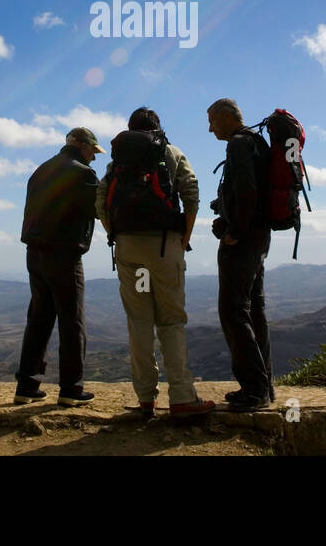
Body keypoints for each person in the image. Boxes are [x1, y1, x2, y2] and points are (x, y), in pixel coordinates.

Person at [97, 107, 214, 418]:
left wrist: (116, 234)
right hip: (164, 248)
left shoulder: (118, 161)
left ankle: (146, 399)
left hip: (130, 251)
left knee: (139, 322)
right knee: (171, 321)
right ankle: (182, 397)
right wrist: (184, 238)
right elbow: (191, 193)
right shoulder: (171, 152)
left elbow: (100, 200)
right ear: (158, 128)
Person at [15, 127, 103, 406]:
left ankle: (27, 386)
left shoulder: (40, 170)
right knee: (72, 319)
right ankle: (71, 390)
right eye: (93, 151)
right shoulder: (83, 173)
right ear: (82, 146)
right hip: (64, 255)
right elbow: (98, 211)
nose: (95, 157)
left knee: (39, 318)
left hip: (35, 253)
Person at [207, 97, 275, 412]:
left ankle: (254, 389)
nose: (210, 129)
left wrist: (234, 230)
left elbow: (247, 190)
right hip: (261, 237)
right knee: (254, 310)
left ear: (228, 117)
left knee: (233, 310)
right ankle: (262, 386)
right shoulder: (257, 142)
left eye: (212, 121)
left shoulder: (238, 144)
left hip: (244, 241)